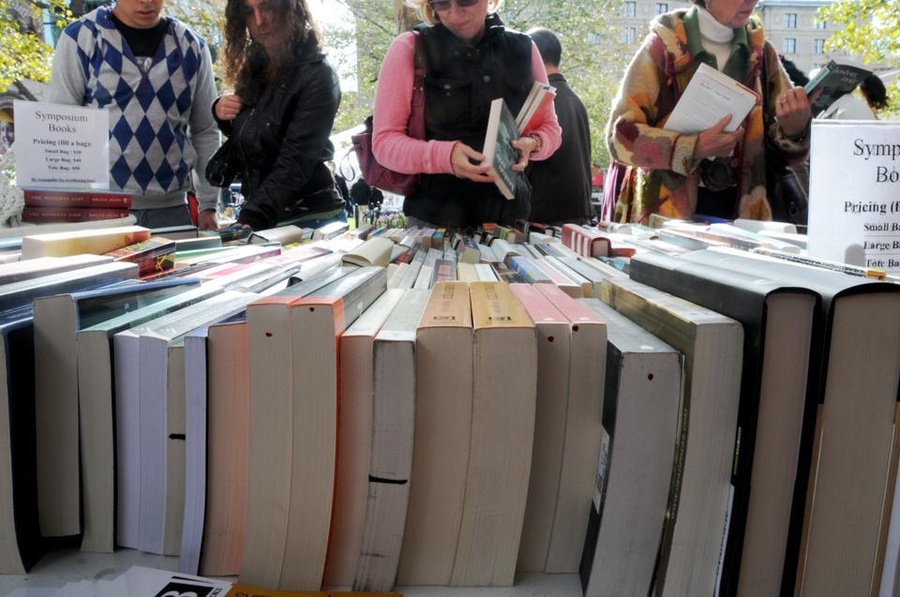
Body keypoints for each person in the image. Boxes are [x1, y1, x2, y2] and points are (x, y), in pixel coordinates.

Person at [604, 0, 814, 223]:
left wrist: (795, 131)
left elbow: (787, 158)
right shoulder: (663, 48)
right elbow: (619, 138)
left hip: (745, 222)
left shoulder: (763, 54)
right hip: (667, 222)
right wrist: (691, 148)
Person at [371, 0, 562, 229]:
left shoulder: (524, 47)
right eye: (442, 3)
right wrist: (445, 156)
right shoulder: (411, 47)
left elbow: (551, 129)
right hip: (435, 222)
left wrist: (534, 143)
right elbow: (384, 143)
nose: (454, 14)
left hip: (511, 221)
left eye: (466, 0)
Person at [47, 0, 220, 229]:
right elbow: (60, 126)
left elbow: (206, 130)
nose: (146, 1)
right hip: (99, 211)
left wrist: (209, 205)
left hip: (172, 210)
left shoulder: (192, 45)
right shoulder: (81, 37)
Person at [210, 0, 345, 231]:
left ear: (289, 8)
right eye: (249, 11)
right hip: (265, 215)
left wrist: (252, 217)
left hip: (309, 217)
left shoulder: (318, 74)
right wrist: (222, 112)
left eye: (267, 6)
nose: (260, 21)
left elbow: (295, 162)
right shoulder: (256, 70)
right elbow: (260, 139)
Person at [525, 27, 593, 225]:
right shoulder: (576, 100)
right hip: (579, 214)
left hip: (546, 220)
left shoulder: (541, 101)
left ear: (532, 57)